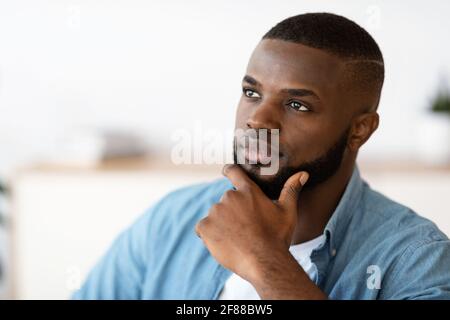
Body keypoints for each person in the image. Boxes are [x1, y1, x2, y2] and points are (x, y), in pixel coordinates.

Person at [73, 12, 450, 300]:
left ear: (359, 130)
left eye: (297, 104)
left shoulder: (416, 260)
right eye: (252, 93)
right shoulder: (172, 221)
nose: (258, 119)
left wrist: (267, 261)